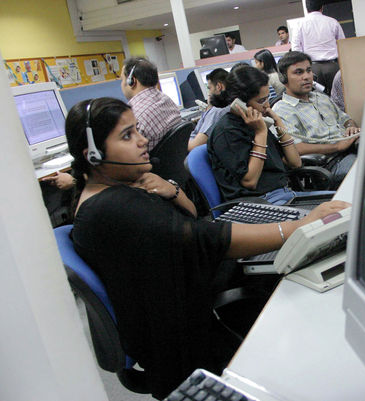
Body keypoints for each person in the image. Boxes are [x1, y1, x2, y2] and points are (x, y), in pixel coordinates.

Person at [65, 96, 348, 399]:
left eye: (137, 130)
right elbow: (204, 238)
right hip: (187, 347)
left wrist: (169, 189)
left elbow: (189, 220)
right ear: (93, 154)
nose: (142, 140)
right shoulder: (114, 209)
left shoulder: (116, 191)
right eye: (127, 135)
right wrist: (294, 228)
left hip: (187, 310)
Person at [207, 66, 333, 205]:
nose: (267, 106)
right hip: (259, 202)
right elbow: (250, 181)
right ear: (240, 103)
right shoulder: (227, 132)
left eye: (267, 98)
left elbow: (295, 163)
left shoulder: (257, 122)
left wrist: (278, 123)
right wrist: (260, 133)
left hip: (285, 194)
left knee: (346, 202)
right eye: (261, 101)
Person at [273, 51, 360, 186]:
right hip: (329, 164)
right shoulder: (282, 110)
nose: (307, 76)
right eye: (299, 72)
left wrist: (350, 127)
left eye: (308, 71)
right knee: (364, 170)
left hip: (350, 149)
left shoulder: (321, 98)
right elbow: (296, 148)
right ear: (284, 78)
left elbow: (345, 119)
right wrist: (337, 146)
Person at [120, 57, 181, 151]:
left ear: (132, 81)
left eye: (122, 79)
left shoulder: (136, 117)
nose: (121, 84)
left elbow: (128, 157)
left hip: (149, 165)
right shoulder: (167, 100)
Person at [292, 0, 345, 95]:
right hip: (332, 67)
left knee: (317, 100)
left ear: (307, 9)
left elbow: (296, 49)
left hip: (312, 69)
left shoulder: (299, 24)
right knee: (339, 97)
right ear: (322, 8)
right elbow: (343, 45)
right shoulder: (332, 22)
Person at [188, 68, 229, 151]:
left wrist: (208, 112)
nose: (209, 93)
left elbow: (193, 147)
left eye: (209, 88)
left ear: (218, 87)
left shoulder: (217, 111)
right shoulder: (232, 104)